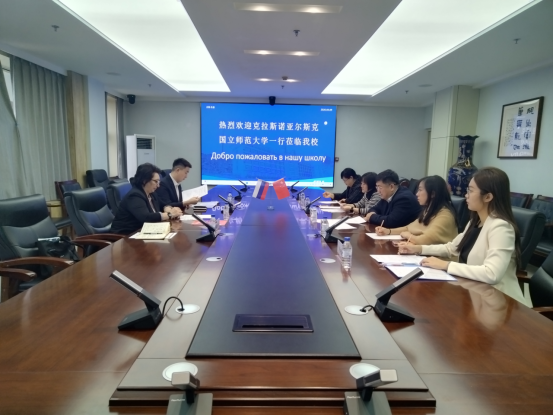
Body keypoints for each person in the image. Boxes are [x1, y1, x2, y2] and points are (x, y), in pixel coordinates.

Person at [397, 167, 528, 305]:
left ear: (488, 197)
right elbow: (451, 248)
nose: (466, 195)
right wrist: (418, 249)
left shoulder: (501, 227)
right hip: (475, 293)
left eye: (470, 191)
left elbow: (492, 273)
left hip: (500, 301)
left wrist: (446, 265)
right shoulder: (475, 222)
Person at [375, 175, 457, 244]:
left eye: (420, 190)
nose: (417, 194)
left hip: (437, 257)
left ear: (432, 194)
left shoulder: (445, 215)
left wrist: (406, 235)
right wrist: (388, 231)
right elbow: (409, 228)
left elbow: (424, 240)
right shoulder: (429, 210)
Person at [111, 163, 182, 235]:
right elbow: (146, 217)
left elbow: (162, 204)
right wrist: (170, 214)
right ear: (144, 180)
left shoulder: (151, 193)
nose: (158, 185)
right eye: (155, 181)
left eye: (159, 181)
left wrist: (167, 208)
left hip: (143, 231)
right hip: (126, 235)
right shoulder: (135, 196)